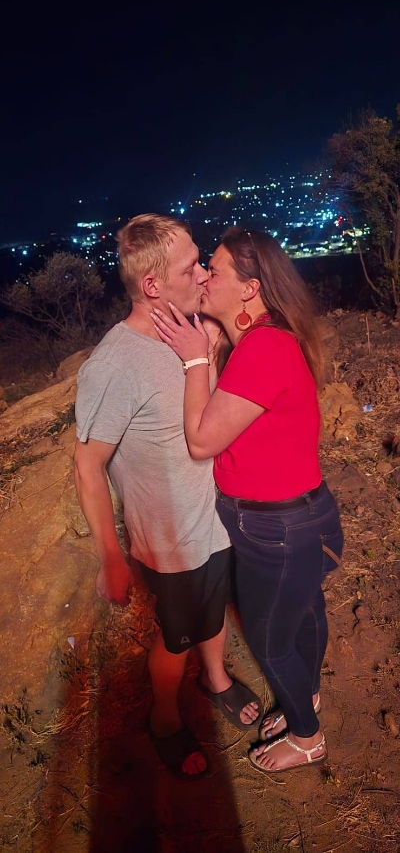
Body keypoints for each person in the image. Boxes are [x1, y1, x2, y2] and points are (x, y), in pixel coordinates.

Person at [73, 215, 261, 780]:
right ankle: (163, 717)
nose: (203, 274)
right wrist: (110, 555)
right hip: (170, 542)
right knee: (175, 638)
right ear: (152, 285)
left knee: (214, 614)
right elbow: (88, 464)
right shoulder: (115, 365)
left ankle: (216, 679)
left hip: (215, 521)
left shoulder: (192, 328)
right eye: (192, 267)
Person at [151, 226, 344, 775]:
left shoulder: (263, 348)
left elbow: (202, 440)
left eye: (213, 270)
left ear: (249, 287)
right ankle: (306, 697)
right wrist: (213, 347)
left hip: (278, 531)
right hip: (298, 520)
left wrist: (194, 359)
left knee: (269, 640)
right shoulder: (266, 337)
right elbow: (233, 412)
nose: (204, 278)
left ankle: (307, 738)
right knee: (305, 613)